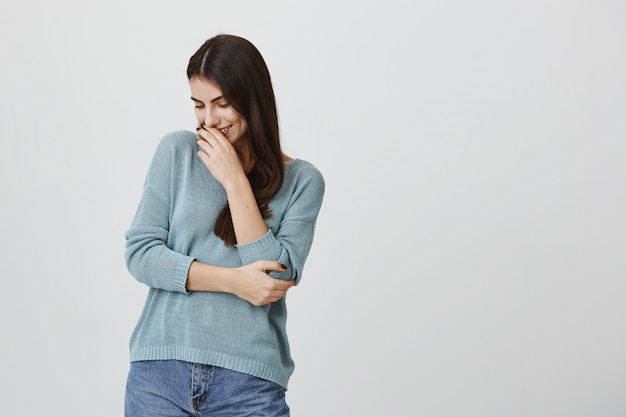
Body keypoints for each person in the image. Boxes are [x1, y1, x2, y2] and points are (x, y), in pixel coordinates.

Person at [123, 34, 325, 417]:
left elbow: (277, 275)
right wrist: (234, 281)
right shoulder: (177, 152)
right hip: (159, 372)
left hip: (248, 384)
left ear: (254, 100)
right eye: (199, 105)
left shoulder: (303, 181)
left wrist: (234, 181)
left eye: (223, 104)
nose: (209, 120)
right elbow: (142, 255)